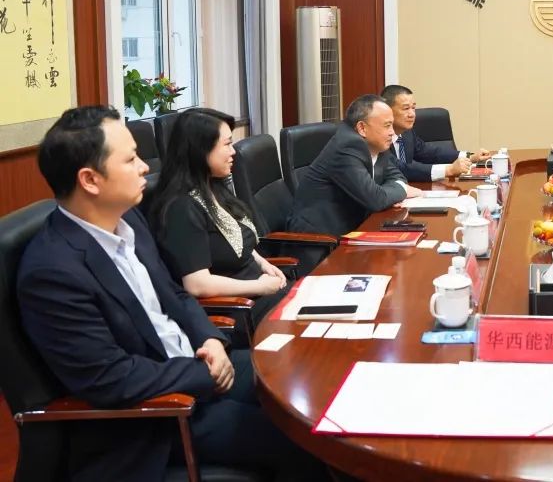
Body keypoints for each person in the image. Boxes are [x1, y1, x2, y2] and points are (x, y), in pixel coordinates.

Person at [16, 106, 326, 481]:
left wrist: (211, 340)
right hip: (158, 419)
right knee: (303, 438)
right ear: (90, 180)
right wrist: (202, 373)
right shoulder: (54, 272)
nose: (144, 168)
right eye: (130, 159)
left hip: (197, 361)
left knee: (306, 381)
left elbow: (174, 295)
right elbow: (110, 378)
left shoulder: (127, 220)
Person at [147, 108, 288, 326]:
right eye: (227, 144)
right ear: (200, 150)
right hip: (237, 310)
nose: (233, 152)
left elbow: (235, 237)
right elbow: (197, 284)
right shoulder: (181, 207)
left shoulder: (213, 185)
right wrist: (259, 286)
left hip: (259, 292)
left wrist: (262, 263)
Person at [288, 94, 422, 235]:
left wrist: (390, 193)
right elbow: (376, 199)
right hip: (320, 238)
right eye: (387, 126)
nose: (392, 133)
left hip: (356, 226)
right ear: (362, 128)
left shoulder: (377, 144)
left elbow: (397, 177)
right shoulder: (347, 147)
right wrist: (402, 190)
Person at [380, 84, 493, 181]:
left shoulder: (407, 133)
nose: (412, 114)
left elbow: (430, 153)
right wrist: (448, 170)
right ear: (387, 110)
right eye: (406, 108)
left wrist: (470, 157)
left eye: (413, 108)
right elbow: (401, 168)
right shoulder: (379, 139)